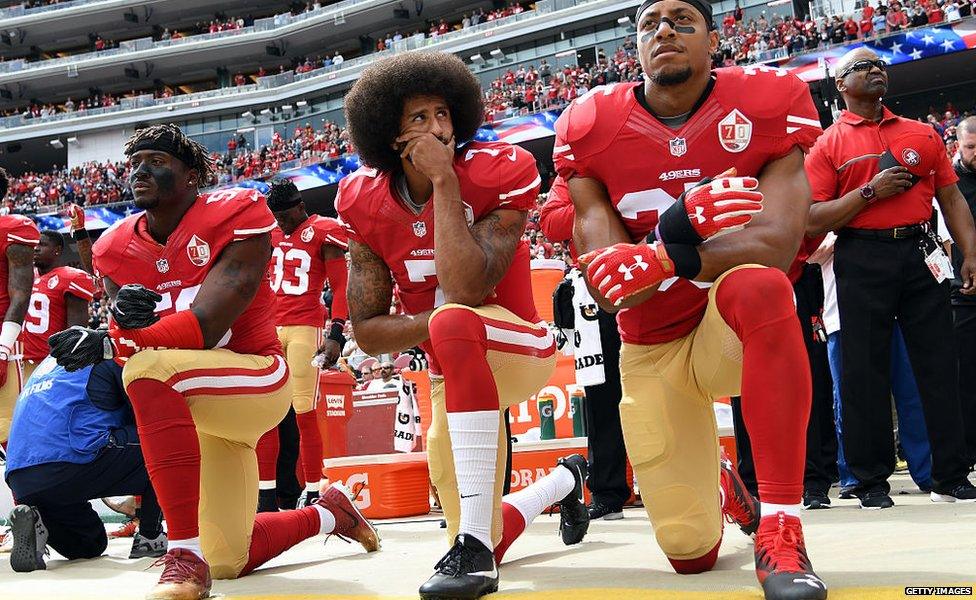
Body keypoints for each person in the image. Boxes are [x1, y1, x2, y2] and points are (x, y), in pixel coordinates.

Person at [555, 0, 827, 598]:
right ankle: (723, 484)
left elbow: (778, 247)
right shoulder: (591, 124)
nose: (665, 30)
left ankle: (782, 525)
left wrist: (665, 251)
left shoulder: (768, 100)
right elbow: (612, 287)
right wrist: (674, 231)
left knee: (760, 283)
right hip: (652, 343)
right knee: (689, 554)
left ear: (712, 39)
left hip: (729, 324)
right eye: (650, 22)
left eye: (683, 19)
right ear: (636, 45)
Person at [48, 124, 379, 600]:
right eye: (135, 162)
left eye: (157, 161)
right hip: (196, 402)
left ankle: (181, 556)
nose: (140, 169)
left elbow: (204, 324)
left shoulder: (236, 213)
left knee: (144, 370)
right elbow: (131, 335)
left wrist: (111, 342)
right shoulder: (114, 248)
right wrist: (112, 335)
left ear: (191, 176)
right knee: (228, 558)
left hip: (255, 376)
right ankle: (330, 512)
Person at [339, 52, 590, 599]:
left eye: (443, 114)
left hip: (518, 346)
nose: (438, 128)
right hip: (448, 363)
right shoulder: (363, 200)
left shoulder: (499, 169)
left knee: (455, 318)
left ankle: (475, 546)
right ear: (388, 135)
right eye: (419, 119)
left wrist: (444, 184)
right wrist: (432, 326)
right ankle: (564, 481)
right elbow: (369, 331)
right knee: (476, 524)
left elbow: (471, 289)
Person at [805, 47, 976, 507]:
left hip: (921, 253)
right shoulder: (827, 144)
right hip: (861, 256)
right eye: (862, 67)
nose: (875, 71)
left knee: (939, 365)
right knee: (864, 372)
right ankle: (870, 480)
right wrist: (868, 192)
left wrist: (970, 253)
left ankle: (950, 475)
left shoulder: (920, 133)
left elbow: (951, 199)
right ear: (840, 85)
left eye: (880, 65)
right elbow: (812, 216)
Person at [5, 359, 165, 571]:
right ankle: (150, 536)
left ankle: (36, 520)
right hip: (70, 461)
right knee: (163, 440)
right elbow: (146, 414)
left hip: (22, 478)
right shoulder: (112, 358)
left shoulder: (48, 367)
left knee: (91, 544)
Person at [540, 177, 631, 520]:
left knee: (665, 389)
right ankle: (608, 493)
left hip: (652, 276)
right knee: (602, 396)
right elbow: (551, 223)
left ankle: (674, 486)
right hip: (597, 290)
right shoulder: (573, 175)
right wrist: (596, 197)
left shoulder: (632, 157)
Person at [256, 178, 350, 511]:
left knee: (304, 412)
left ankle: (312, 487)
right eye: (275, 216)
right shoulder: (270, 233)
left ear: (300, 206)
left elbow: (341, 287)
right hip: (269, 326)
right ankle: (265, 493)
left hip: (304, 327)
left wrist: (336, 333)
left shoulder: (323, 229)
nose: (281, 222)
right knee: (265, 413)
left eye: (285, 215)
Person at [0, 166, 39, 472]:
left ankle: (30, 510)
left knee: (11, 429)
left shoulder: (13, 227)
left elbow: (20, 295)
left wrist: (2, 349)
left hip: (5, 339)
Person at [19, 231, 95, 382]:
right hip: (20, 360)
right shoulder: (25, 276)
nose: (36, 248)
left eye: (42, 244)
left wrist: (62, 365)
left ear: (57, 250)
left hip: (49, 363)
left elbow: (75, 332)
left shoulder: (71, 277)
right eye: (34, 244)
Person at [949, 116, 976, 467]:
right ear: (957, 145)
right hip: (961, 294)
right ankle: (968, 451)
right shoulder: (948, 184)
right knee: (965, 377)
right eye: (971, 147)